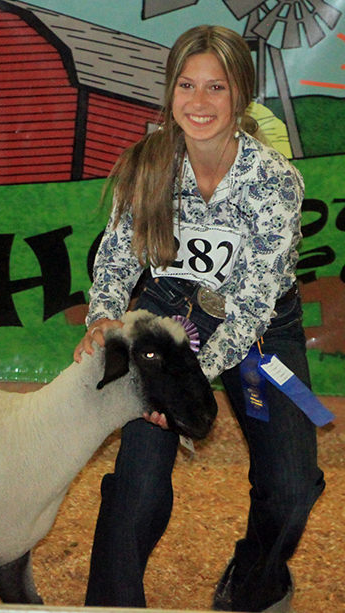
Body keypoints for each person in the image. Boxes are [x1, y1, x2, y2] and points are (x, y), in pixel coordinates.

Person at [74, 25, 325, 613]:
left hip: (259, 332)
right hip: (165, 316)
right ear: (170, 92)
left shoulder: (275, 182)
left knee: (292, 490)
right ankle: (111, 607)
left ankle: (255, 581)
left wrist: (183, 384)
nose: (199, 101)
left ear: (242, 95)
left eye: (217, 86)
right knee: (137, 487)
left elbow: (250, 309)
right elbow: (116, 254)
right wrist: (105, 313)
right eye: (187, 85)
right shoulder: (148, 164)